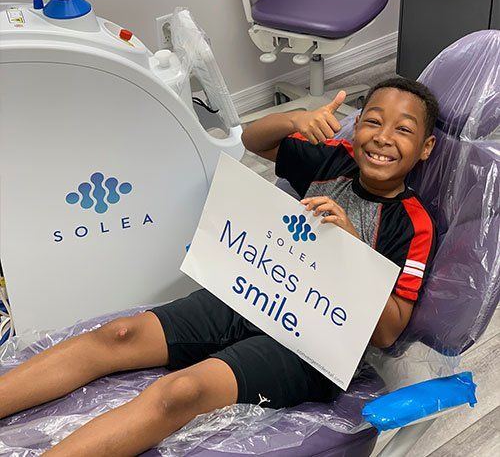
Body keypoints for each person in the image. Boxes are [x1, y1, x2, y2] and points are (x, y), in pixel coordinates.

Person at [0, 77, 438, 456]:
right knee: (119, 335)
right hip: (257, 292)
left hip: (318, 343)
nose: (383, 137)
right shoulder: (333, 161)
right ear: (356, 125)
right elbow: (252, 141)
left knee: (182, 392)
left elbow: (387, 332)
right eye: (374, 121)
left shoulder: (413, 223)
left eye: (403, 129)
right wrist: (295, 119)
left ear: (425, 147)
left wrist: (351, 253)